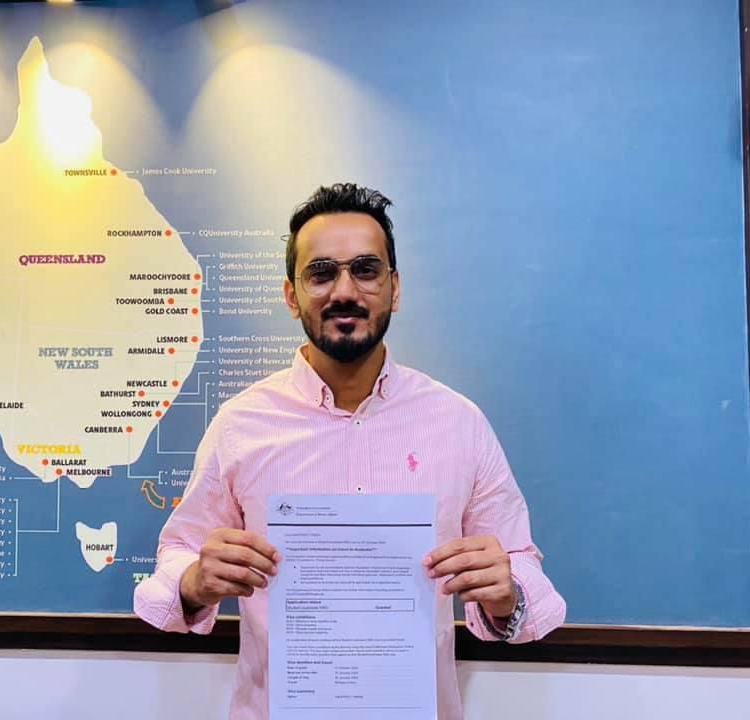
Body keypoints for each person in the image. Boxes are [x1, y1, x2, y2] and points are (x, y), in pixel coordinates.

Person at [134, 183, 566, 720]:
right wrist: (195, 581)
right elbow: (174, 560)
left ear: (394, 288)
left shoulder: (459, 424)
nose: (345, 290)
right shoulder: (240, 426)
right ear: (291, 295)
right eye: (321, 273)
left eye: (365, 270)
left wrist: (508, 592)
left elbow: (524, 574)